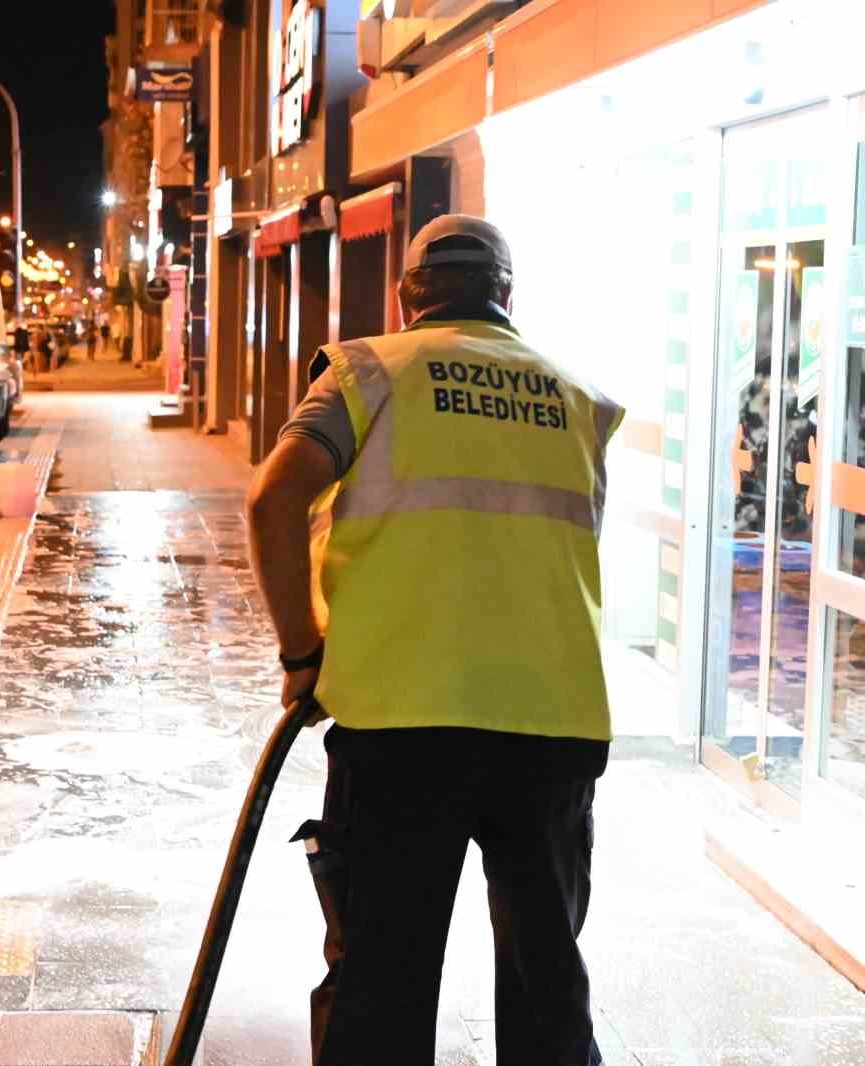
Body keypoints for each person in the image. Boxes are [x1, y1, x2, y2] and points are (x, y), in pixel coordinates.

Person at [245, 214, 621, 1066]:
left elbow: (273, 500)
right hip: (550, 728)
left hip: (400, 729)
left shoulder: (369, 373)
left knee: (381, 986)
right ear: (509, 298)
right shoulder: (578, 398)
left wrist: (302, 654)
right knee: (547, 991)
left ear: (403, 297)